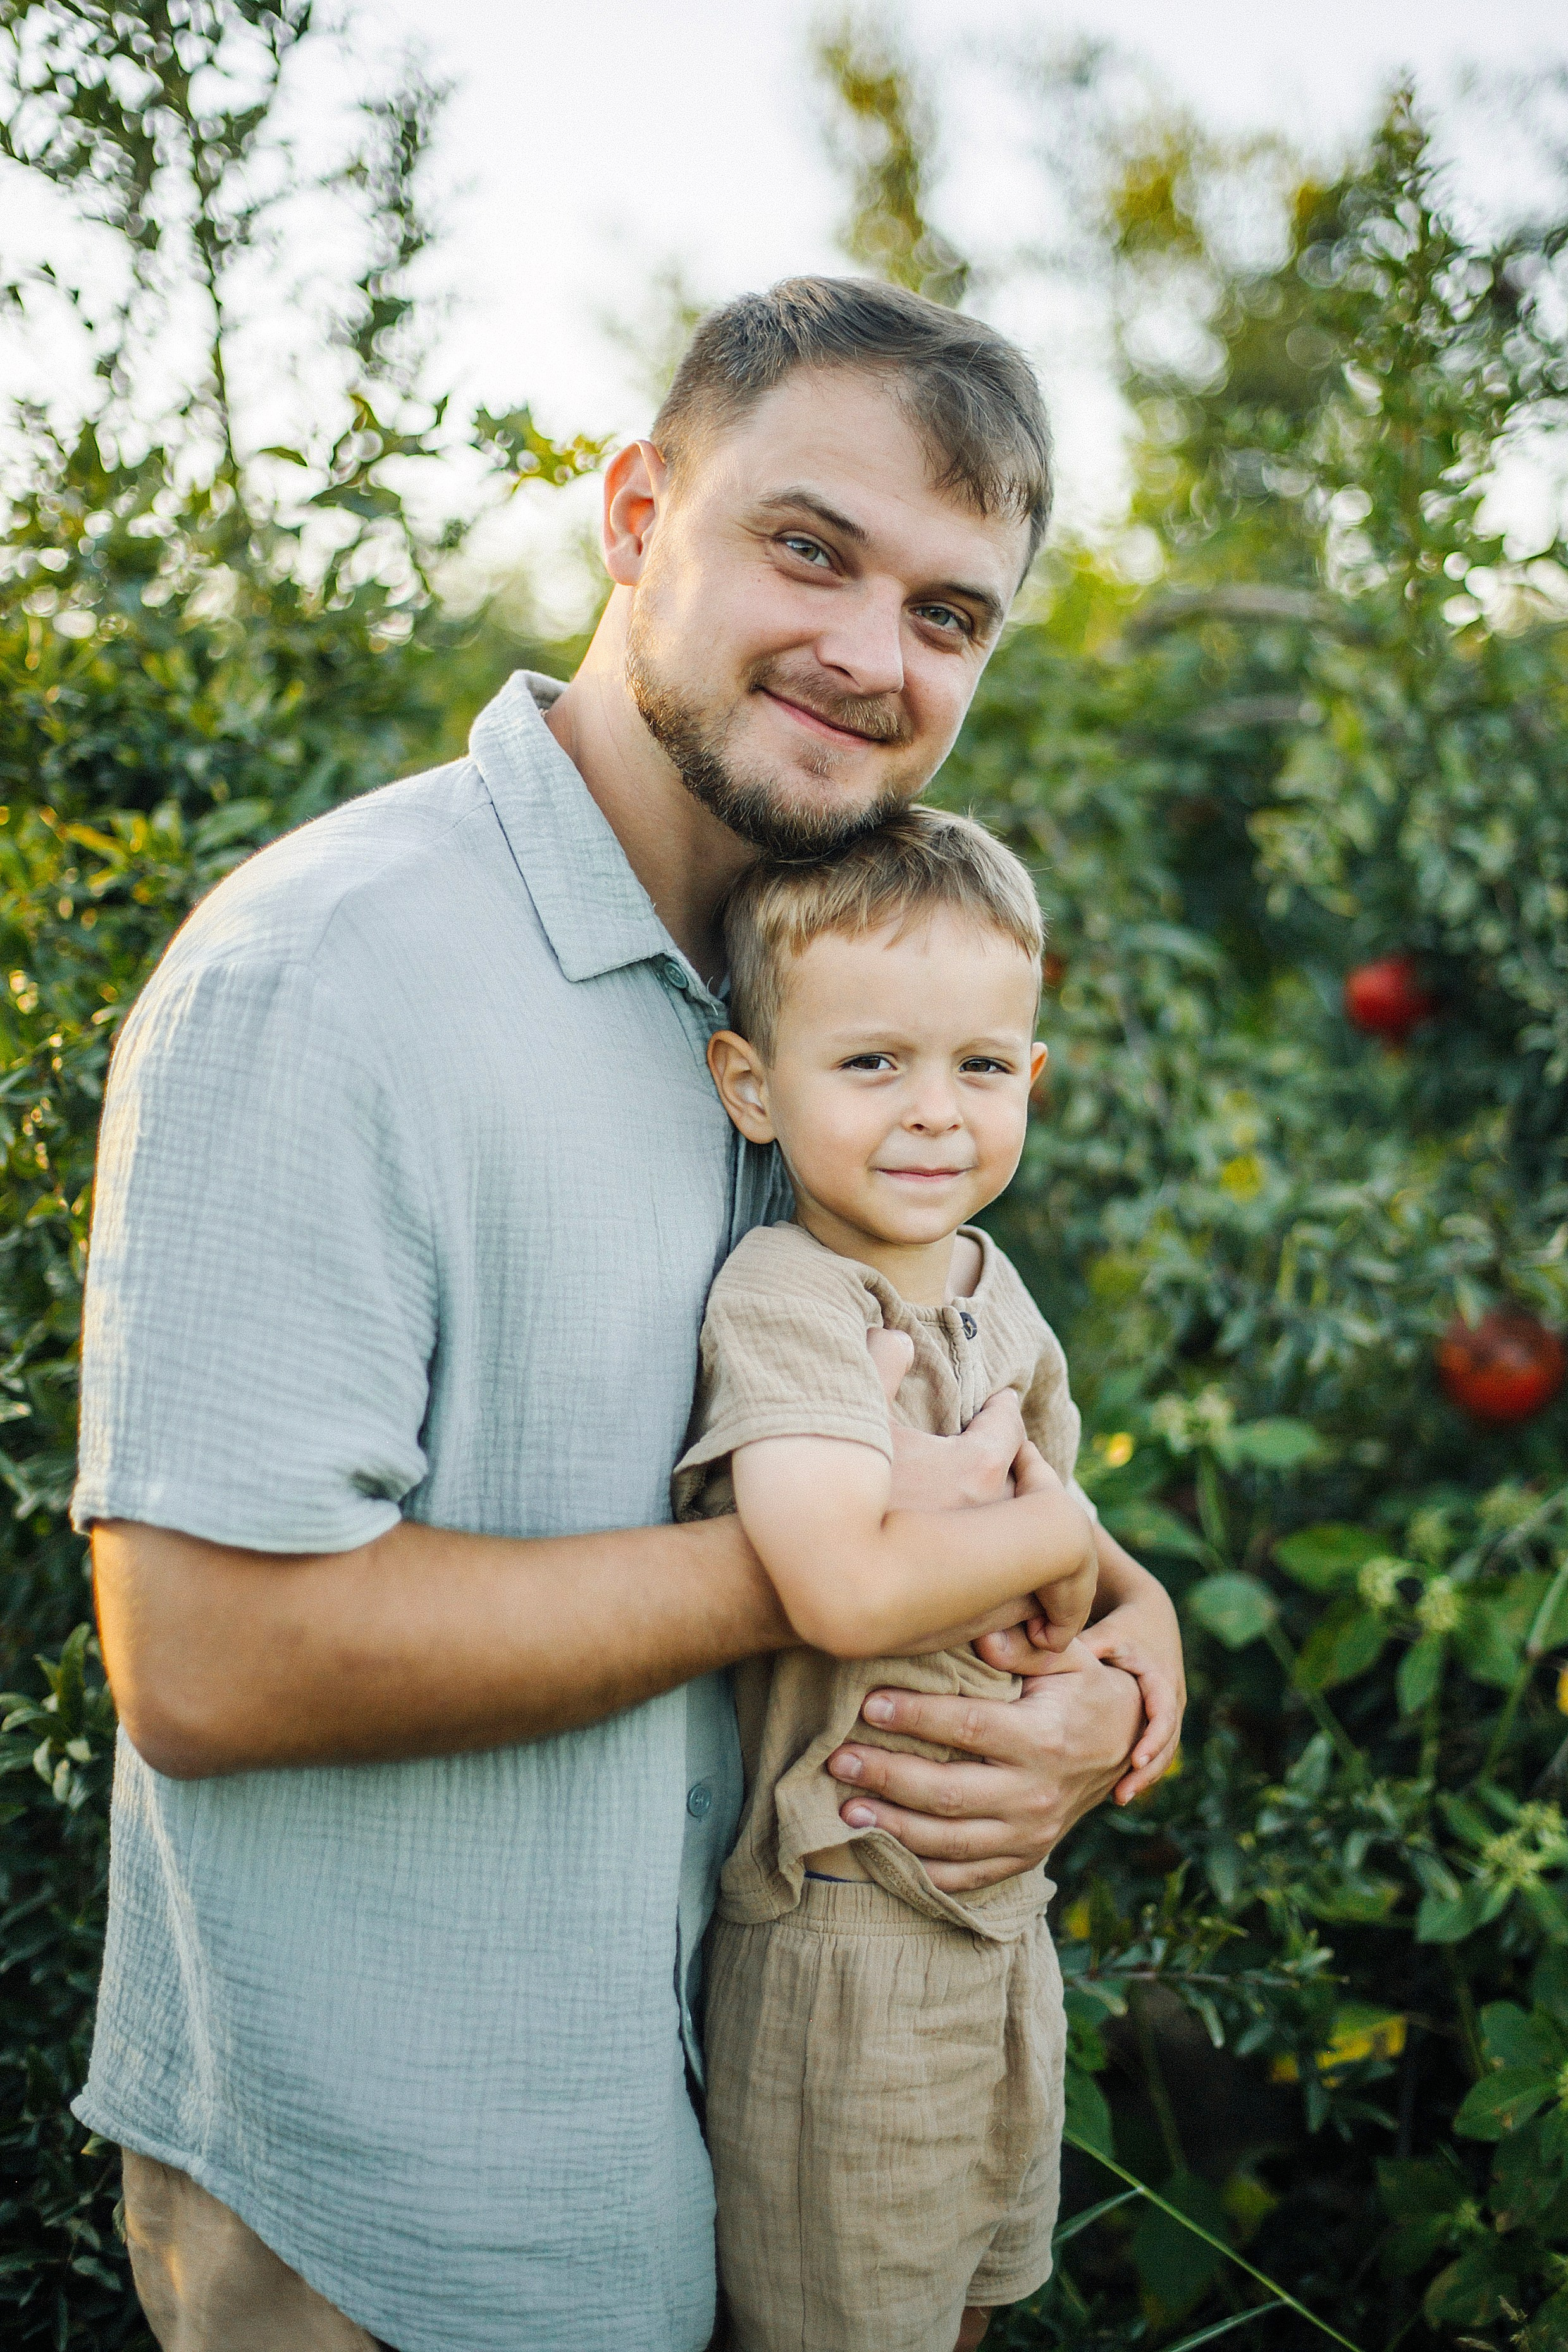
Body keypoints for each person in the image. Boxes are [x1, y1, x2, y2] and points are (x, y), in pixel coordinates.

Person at [73, 277, 1183, 2352]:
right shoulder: (331, 978)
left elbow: (951, 1452)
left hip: (774, 2159)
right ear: (634, 510)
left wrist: (1119, 1654)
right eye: (810, 548)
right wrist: (824, 1582)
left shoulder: (847, 1005)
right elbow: (209, 1661)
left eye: (950, 614)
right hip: (415, 2213)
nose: (872, 653)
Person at [676, 809, 1166, 2352]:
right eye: (870, 1061)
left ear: (1030, 1076)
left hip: (1000, 1924)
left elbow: (1078, 1591)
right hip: (843, 1941)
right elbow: (835, 1582)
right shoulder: (789, 1297)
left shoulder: (988, 1286)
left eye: (977, 1065)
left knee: (974, 2299)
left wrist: (1115, 1643)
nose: (934, 1113)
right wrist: (1051, 1535)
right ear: (752, 1085)